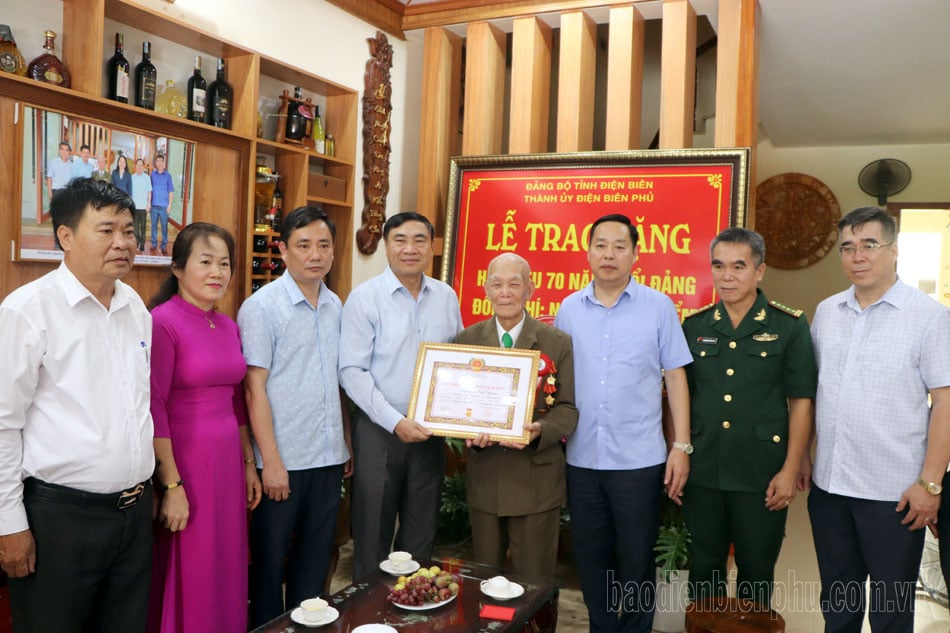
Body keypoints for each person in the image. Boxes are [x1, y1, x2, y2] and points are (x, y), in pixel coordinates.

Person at [0, 178, 154, 631]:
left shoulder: (134, 307)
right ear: (65, 237)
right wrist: (9, 523)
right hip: (60, 520)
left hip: (132, 515)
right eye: (106, 230)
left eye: (128, 230)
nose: (123, 242)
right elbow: (3, 423)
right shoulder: (28, 310)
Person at [808, 206, 950, 633]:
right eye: (848, 247)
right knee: (839, 607)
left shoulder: (929, 316)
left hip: (894, 496)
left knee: (890, 613)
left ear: (894, 251)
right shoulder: (827, 312)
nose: (858, 256)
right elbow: (813, 395)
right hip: (830, 487)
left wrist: (930, 483)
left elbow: (945, 402)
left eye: (870, 245)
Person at [554, 213, 692, 633]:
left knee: (635, 559)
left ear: (636, 254)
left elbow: (676, 376)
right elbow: (556, 377)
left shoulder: (658, 306)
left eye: (619, 245)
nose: (609, 254)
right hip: (581, 458)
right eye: (600, 244)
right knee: (591, 556)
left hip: (638, 459)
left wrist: (680, 446)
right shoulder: (569, 309)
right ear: (587, 252)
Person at [680, 228, 816, 607]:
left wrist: (790, 469)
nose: (727, 276)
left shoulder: (788, 326)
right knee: (704, 573)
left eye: (739, 266)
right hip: (704, 468)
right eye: (719, 266)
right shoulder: (695, 326)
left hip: (761, 472)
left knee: (756, 572)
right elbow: (682, 397)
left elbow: (802, 401)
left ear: (759, 271)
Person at [238, 206, 352, 627]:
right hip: (281, 461)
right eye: (303, 246)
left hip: (326, 457)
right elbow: (254, 388)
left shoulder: (336, 305)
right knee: (268, 571)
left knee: (314, 566)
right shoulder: (262, 307)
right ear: (283, 250)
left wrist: (345, 441)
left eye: (323, 245)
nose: (315, 255)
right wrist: (271, 462)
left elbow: (334, 381)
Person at [147, 222, 263, 633]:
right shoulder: (163, 322)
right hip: (186, 464)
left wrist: (249, 464)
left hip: (227, 464)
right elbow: (154, 406)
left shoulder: (227, 324)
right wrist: (171, 486)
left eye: (225, 264)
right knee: (192, 565)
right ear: (177, 268)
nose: (218, 272)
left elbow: (238, 402)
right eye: (206, 262)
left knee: (227, 561)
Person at [339, 211, 463, 581]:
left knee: (420, 536)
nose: (410, 249)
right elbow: (352, 372)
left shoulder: (445, 296)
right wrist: (395, 422)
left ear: (431, 247)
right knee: (372, 536)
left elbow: (456, 362)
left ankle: (413, 614)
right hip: (380, 433)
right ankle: (368, 615)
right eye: (400, 240)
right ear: (386, 246)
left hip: (429, 434)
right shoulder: (365, 298)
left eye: (419, 240)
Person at [457, 253, 578, 577]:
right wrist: (467, 429)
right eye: (497, 284)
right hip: (487, 479)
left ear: (530, 289)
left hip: (535, 482)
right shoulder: (466, 341)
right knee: (484, 583)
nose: (505, 292)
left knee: (534, 586)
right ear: (486, 290)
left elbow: (568, 409)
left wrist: (541, 429)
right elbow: (456, 407)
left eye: (515, 284)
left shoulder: (556, 342)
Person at [150, 154, 174, 256]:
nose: (159, 163)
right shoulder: (152, 175)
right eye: (158, 161)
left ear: (164, 163)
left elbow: (171, 191)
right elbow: (149, 190)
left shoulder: (168, 176)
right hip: (154, 206)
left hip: (164, 207)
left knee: (164, 227)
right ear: (156, 163)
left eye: (161, 161)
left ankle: (164, 246)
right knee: (153, 226)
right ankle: (154, 244)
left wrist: (169, 205)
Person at [130, 158, 152, 253]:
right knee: (135, 226)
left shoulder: (147, 177)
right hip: (134, 206)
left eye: (141, 165)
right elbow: (130, 193)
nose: (139, 167)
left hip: (143, 207)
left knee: (143, 226)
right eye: (137, 165)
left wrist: (149, 203)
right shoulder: (132, 177)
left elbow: (149, 192)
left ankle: (142, 243)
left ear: (143, 166)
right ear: (135, 166)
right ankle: (137, 242)